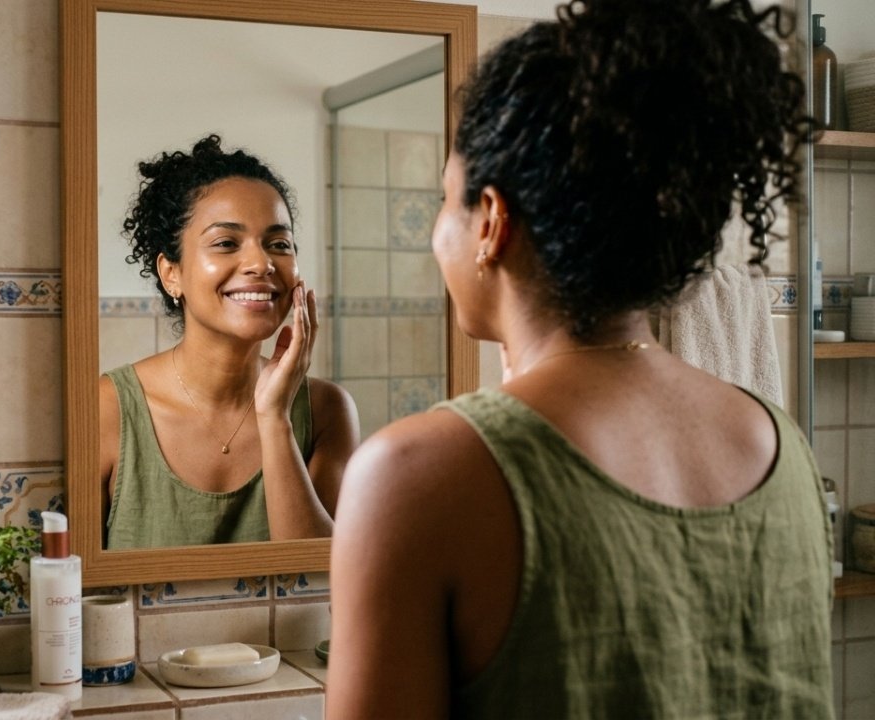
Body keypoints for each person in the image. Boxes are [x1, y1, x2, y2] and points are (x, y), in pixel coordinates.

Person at [328, 1, 832, 717]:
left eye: (447, 201)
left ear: (491, 223)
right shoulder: (777, 447)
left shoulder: (415, 475)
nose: (439, 233)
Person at [100, 134, 359, 549]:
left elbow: (318, 582)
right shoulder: (107, 409)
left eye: (279, 244)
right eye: (225, 243)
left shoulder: (327, 411)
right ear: (171, 274)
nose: (261, 263)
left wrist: (274, 418)